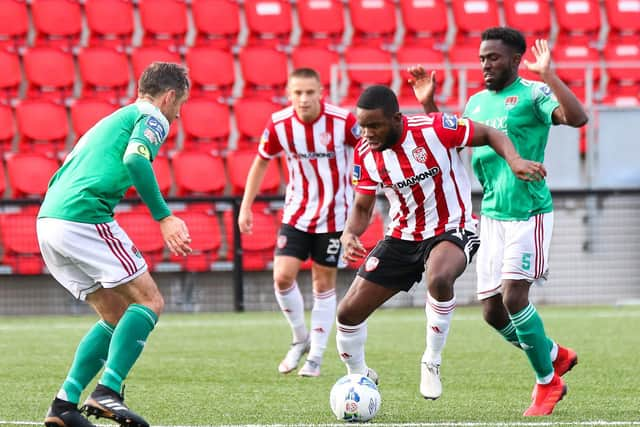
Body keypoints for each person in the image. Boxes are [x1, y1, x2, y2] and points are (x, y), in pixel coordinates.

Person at [412, 27, 588, 416]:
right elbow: (449, 140)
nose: (485, 65)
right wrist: (429, 106)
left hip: (528, 213)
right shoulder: (475, 103)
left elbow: (577, 118)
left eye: (493, 57)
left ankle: (547, 383)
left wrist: (550, 76)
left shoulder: (533, 94)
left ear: (514, 59)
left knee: (514, 297)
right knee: (492, 312)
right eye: (481, 58)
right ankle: (554, 354)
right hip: (491, 217)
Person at [336, 85, 546, 401]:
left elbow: (490, 134)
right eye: (362, 126)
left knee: (439, 277)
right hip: (402, 236)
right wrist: (350, 233)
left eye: (374, 125)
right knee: (347, 313)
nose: (367, 133)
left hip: (453, 227)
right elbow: (363, 206)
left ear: (395, 118)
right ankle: (359, 378)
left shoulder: (434, 128)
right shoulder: (365, 154)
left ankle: (431, 360)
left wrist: (514, 160)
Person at [38, 62, 192, 427]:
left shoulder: (111, 120)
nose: (179, 114)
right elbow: (135, 160)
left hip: (48, 222)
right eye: (179, 104)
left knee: (114, 314)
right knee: (150, 300)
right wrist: (164, 217)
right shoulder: (153, 116)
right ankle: (109, 390)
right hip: (83, 216)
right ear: (168, 96)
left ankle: (64, 405)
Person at [238, 68, 360, 377]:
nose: (303, 99)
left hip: (334, 216)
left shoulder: (343, 121)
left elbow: (367, 150)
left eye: (309, 92)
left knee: (323, 283)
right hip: (296, 213)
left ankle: (316, 355)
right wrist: (246, 206)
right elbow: (261, 161)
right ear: (289, 94)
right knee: (282, 276)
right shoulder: (279, 124)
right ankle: (300, 338)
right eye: (297, 93)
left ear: (321, 92)